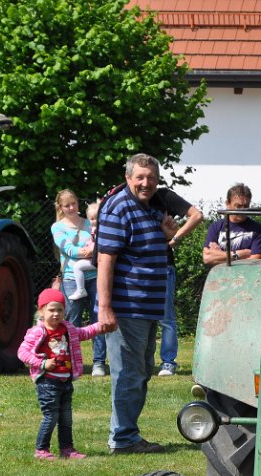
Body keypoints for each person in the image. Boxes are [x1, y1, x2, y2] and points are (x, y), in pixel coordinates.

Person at [96, 153, 171, 454]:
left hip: (148, 306)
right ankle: (123, 438)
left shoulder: (149, 207)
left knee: (140, 371)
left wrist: (167, 234)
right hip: (128, 307)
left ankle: (127, 433)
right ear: (128, 178)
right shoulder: (119, 208)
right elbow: (105, 259)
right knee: (128, 373)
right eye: (139, 177)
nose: (146, 183)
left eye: (151, 178)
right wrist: (105, 307)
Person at [17, 288, 107, 460]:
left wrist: (99, 327)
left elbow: (83, 333)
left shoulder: (67, 329)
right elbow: (22, 352)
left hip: (65, 381)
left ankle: (67, 449)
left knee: (66, 417)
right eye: (51, 310)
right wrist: (43, 363)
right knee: (51, 416)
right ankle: (41, 449)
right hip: (48, 383)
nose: (56, 314)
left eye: (60, 310)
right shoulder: (38, 331)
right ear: (41, 311)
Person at [51, 189, 107, 376]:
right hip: (71, 279)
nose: (72, 208)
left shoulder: (89, 221)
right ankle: (71, 361)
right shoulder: (57, 227)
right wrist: (86, 253)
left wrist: (92, 252)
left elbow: (102, 241)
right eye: (67, 205)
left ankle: (99, 362)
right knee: (71, 321)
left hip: (95, 275)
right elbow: (66, 248)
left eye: (74, 203)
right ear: (60, 207)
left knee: (97, 319)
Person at [156, 189, 203, 377]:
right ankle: (142, 362)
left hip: (163, 264)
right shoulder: (128, 198)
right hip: (137, 266)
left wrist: (174, 239)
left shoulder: (164, 196)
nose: (145, 182)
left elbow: (197, 215)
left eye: (151, 176)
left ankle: (168, 362)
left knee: (166, 317)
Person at [203, 183, 261, 266]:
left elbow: (256, 260)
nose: (242, 210)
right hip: (219, 277)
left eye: (246, 206)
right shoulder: (216, 227)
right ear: (228, 204)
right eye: (238, 206)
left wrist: (220, 255)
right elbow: (207, 258)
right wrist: (239, 254)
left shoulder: (257, 229)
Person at [66, 203, 99, 301]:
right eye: (91, 219)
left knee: (77, 266)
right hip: (94, 258)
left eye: (96, 218)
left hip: (98, 261)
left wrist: (91, 250)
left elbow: (101, 243)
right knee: (78, 265)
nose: (94, 221)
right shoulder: (93, 229)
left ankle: (81, 290)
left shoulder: (100, 230)